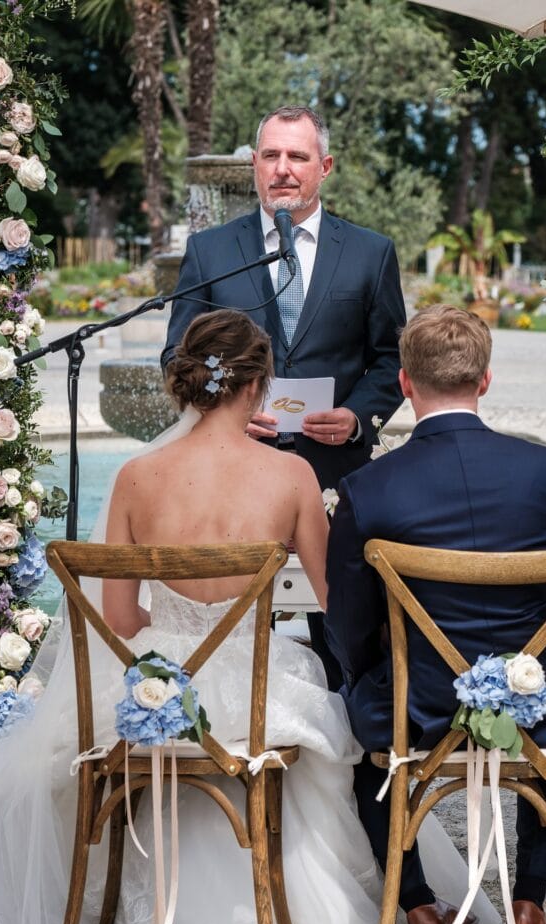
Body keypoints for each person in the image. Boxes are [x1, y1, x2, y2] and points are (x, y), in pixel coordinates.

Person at [0, 309, 500, 924]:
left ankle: (123, 904)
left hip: (151, 684)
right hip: (253, 688)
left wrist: (175, 653)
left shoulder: (136, 476)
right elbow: (335, 607)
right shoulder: (290, 478)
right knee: (328, 720)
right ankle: (333, 900)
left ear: (190, 383)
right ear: (259, 386)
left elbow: (122, 618)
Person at [325, 304, 546, 924]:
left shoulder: (368, 486)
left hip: (418, 710)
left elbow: (348, 622)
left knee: (350, 705)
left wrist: (370, 673)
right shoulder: (542, 473)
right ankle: (528, 902)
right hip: (535, 707)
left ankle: (418, 907)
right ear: (484, 381)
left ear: (402, 384)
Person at [161, 105, 406, 688]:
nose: (283, 169)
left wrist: (355, 418)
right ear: (253, 165)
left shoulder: (371, 253)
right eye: (271, 155)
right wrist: (224, 415)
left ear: (325, 166)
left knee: (342, 643)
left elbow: (391, 358)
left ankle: (342, 750)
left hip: (334, 480)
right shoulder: (211, 251)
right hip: (227, 482)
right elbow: (175, 356)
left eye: (297, 156)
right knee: (227, 645)